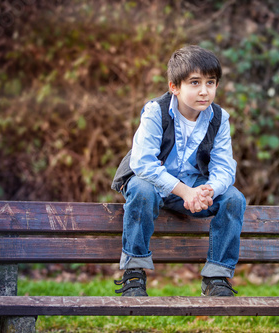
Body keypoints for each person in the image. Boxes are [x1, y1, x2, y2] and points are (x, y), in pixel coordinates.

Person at [111, 45, 246, 297]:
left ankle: (217, 276)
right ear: (174, 86)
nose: (204, 91)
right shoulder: (156, 111)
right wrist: (184, 191)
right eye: (195, 82)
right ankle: (134, 273)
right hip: (154, 185)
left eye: (211, 82)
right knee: (140, 188)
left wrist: (208, 190)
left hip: (193, 190)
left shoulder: (219, 118)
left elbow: (224, 168)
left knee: (234, 198)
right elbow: (142, 163)